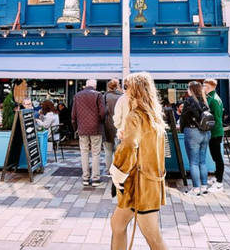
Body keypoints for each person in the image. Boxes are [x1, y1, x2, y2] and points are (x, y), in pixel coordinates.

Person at [109, 71, 168, 250]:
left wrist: (117, 172)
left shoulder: (135, 116)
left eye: (127, 88)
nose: (124, 91)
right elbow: (143, 144)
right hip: (145, 184)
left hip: (140, 187)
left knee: (153, 238)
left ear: (134, 91)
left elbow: (130, 148)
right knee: (117, 225)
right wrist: (126, 135)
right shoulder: (153, 116)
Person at [71, 79, 106, 187]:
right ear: (94, 86)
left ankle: (85, 178)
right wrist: (101, 121)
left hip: (82, 128)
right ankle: (95, 179)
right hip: (96, 128)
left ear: (86, 85)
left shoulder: (77, 95)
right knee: (96, 152)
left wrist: (75, 127)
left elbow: (73, 114)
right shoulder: (98, 94)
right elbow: (103, 112)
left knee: (84, 152)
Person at [180, 81, 211, 196]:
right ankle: (204, 187)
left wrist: (182, 128)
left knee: (193, 163)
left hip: (192, 132)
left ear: (191, 89)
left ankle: (195, 189)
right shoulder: (205, 101)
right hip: (205, 133)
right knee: (202, 162)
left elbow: (184, 117)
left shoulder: (189, 101)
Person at [204, 79, 225, 192]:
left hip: (215, 133)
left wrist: (211, 132)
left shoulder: (213, 100)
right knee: (215, 156)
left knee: (217, 158)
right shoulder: (212, 98)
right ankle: (217, 177)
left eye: (204, 86)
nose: (203, 88)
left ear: (208, 87)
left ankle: (219, 183)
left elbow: (216, 119)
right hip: (215, 132)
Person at [103, 78, 124, 173]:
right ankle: (117, 168)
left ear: (108, 87)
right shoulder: (122, 97)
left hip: (107, 126)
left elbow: (103, 112)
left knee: (108, 150)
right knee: (118, 149)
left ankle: (108, 169)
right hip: (120, 126)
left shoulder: (105, 97)